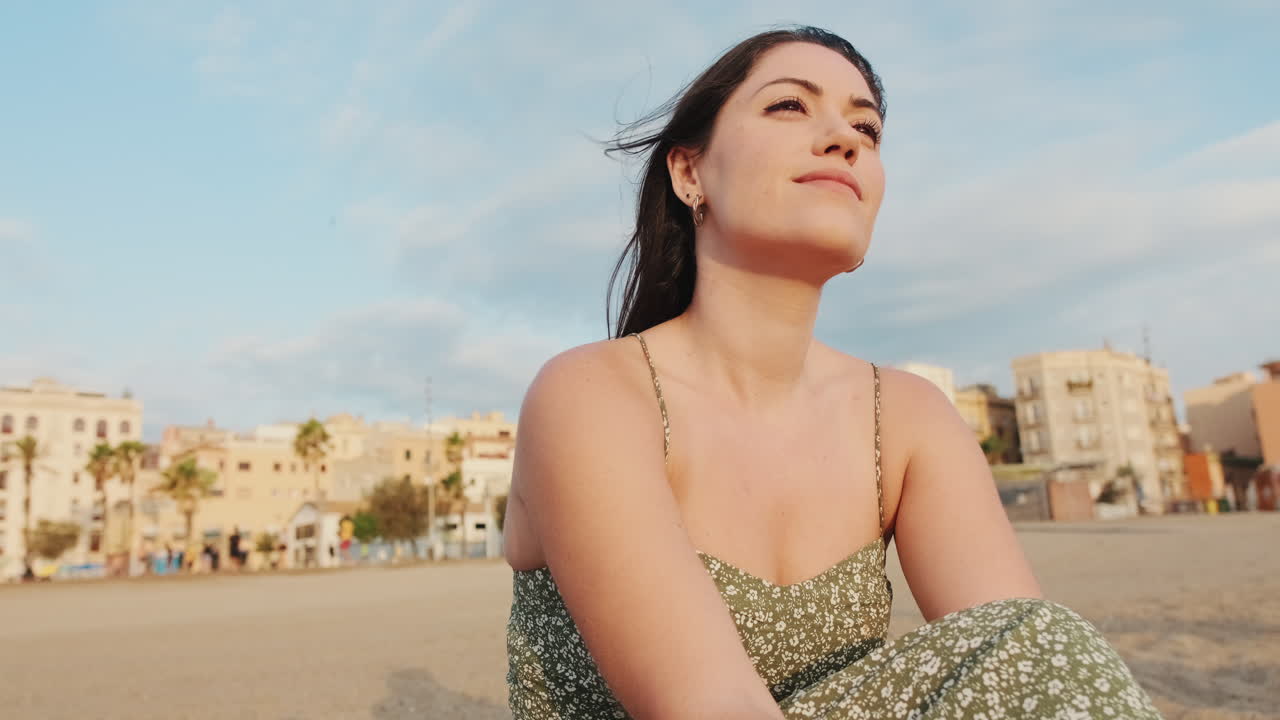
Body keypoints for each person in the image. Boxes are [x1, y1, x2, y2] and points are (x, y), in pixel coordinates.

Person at [503, 26, 1162, 719]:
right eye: (789, 106)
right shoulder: (594, 395)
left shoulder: (907, 419)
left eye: (867, 128)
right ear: (689, 173)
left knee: (1039, 643)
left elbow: (1009, 657)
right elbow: (708, 705)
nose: (845, 138)